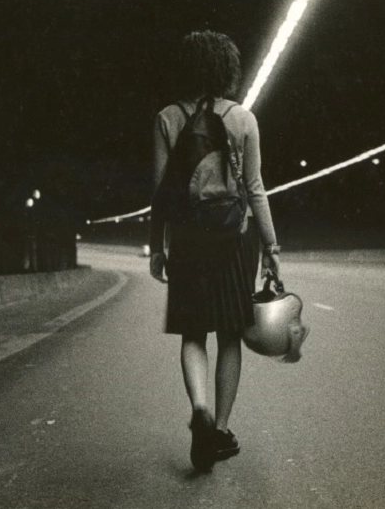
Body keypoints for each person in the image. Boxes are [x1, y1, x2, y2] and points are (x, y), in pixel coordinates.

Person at [148, 30, 280, 471]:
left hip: (187, 237)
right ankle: (220, 429)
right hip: (233, 240)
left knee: (192, 333)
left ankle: (200, 408)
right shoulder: (244, 119)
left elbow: (162, 193)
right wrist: (272, 248)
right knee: (229, 335)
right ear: (228, 70)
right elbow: (256, 189)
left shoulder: (167, 118)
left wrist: (157, 248)